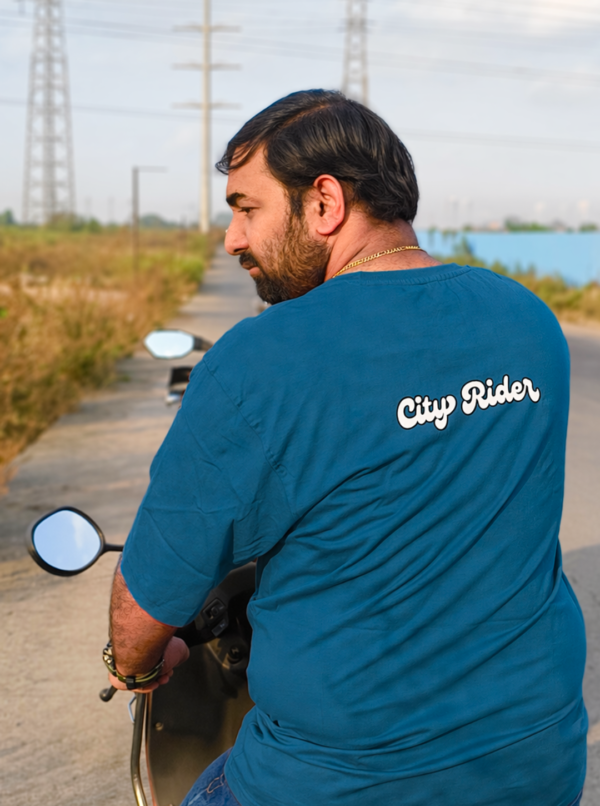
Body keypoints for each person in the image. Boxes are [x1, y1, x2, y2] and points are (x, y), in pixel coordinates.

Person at [107, 90, 587, 806]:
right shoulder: (529, 320)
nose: (233, 239)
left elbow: (144, 610)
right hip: (538, 763)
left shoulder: (258, 361)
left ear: (325, 202)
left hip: (335, 784)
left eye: (246, 208)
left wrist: (138, 668)